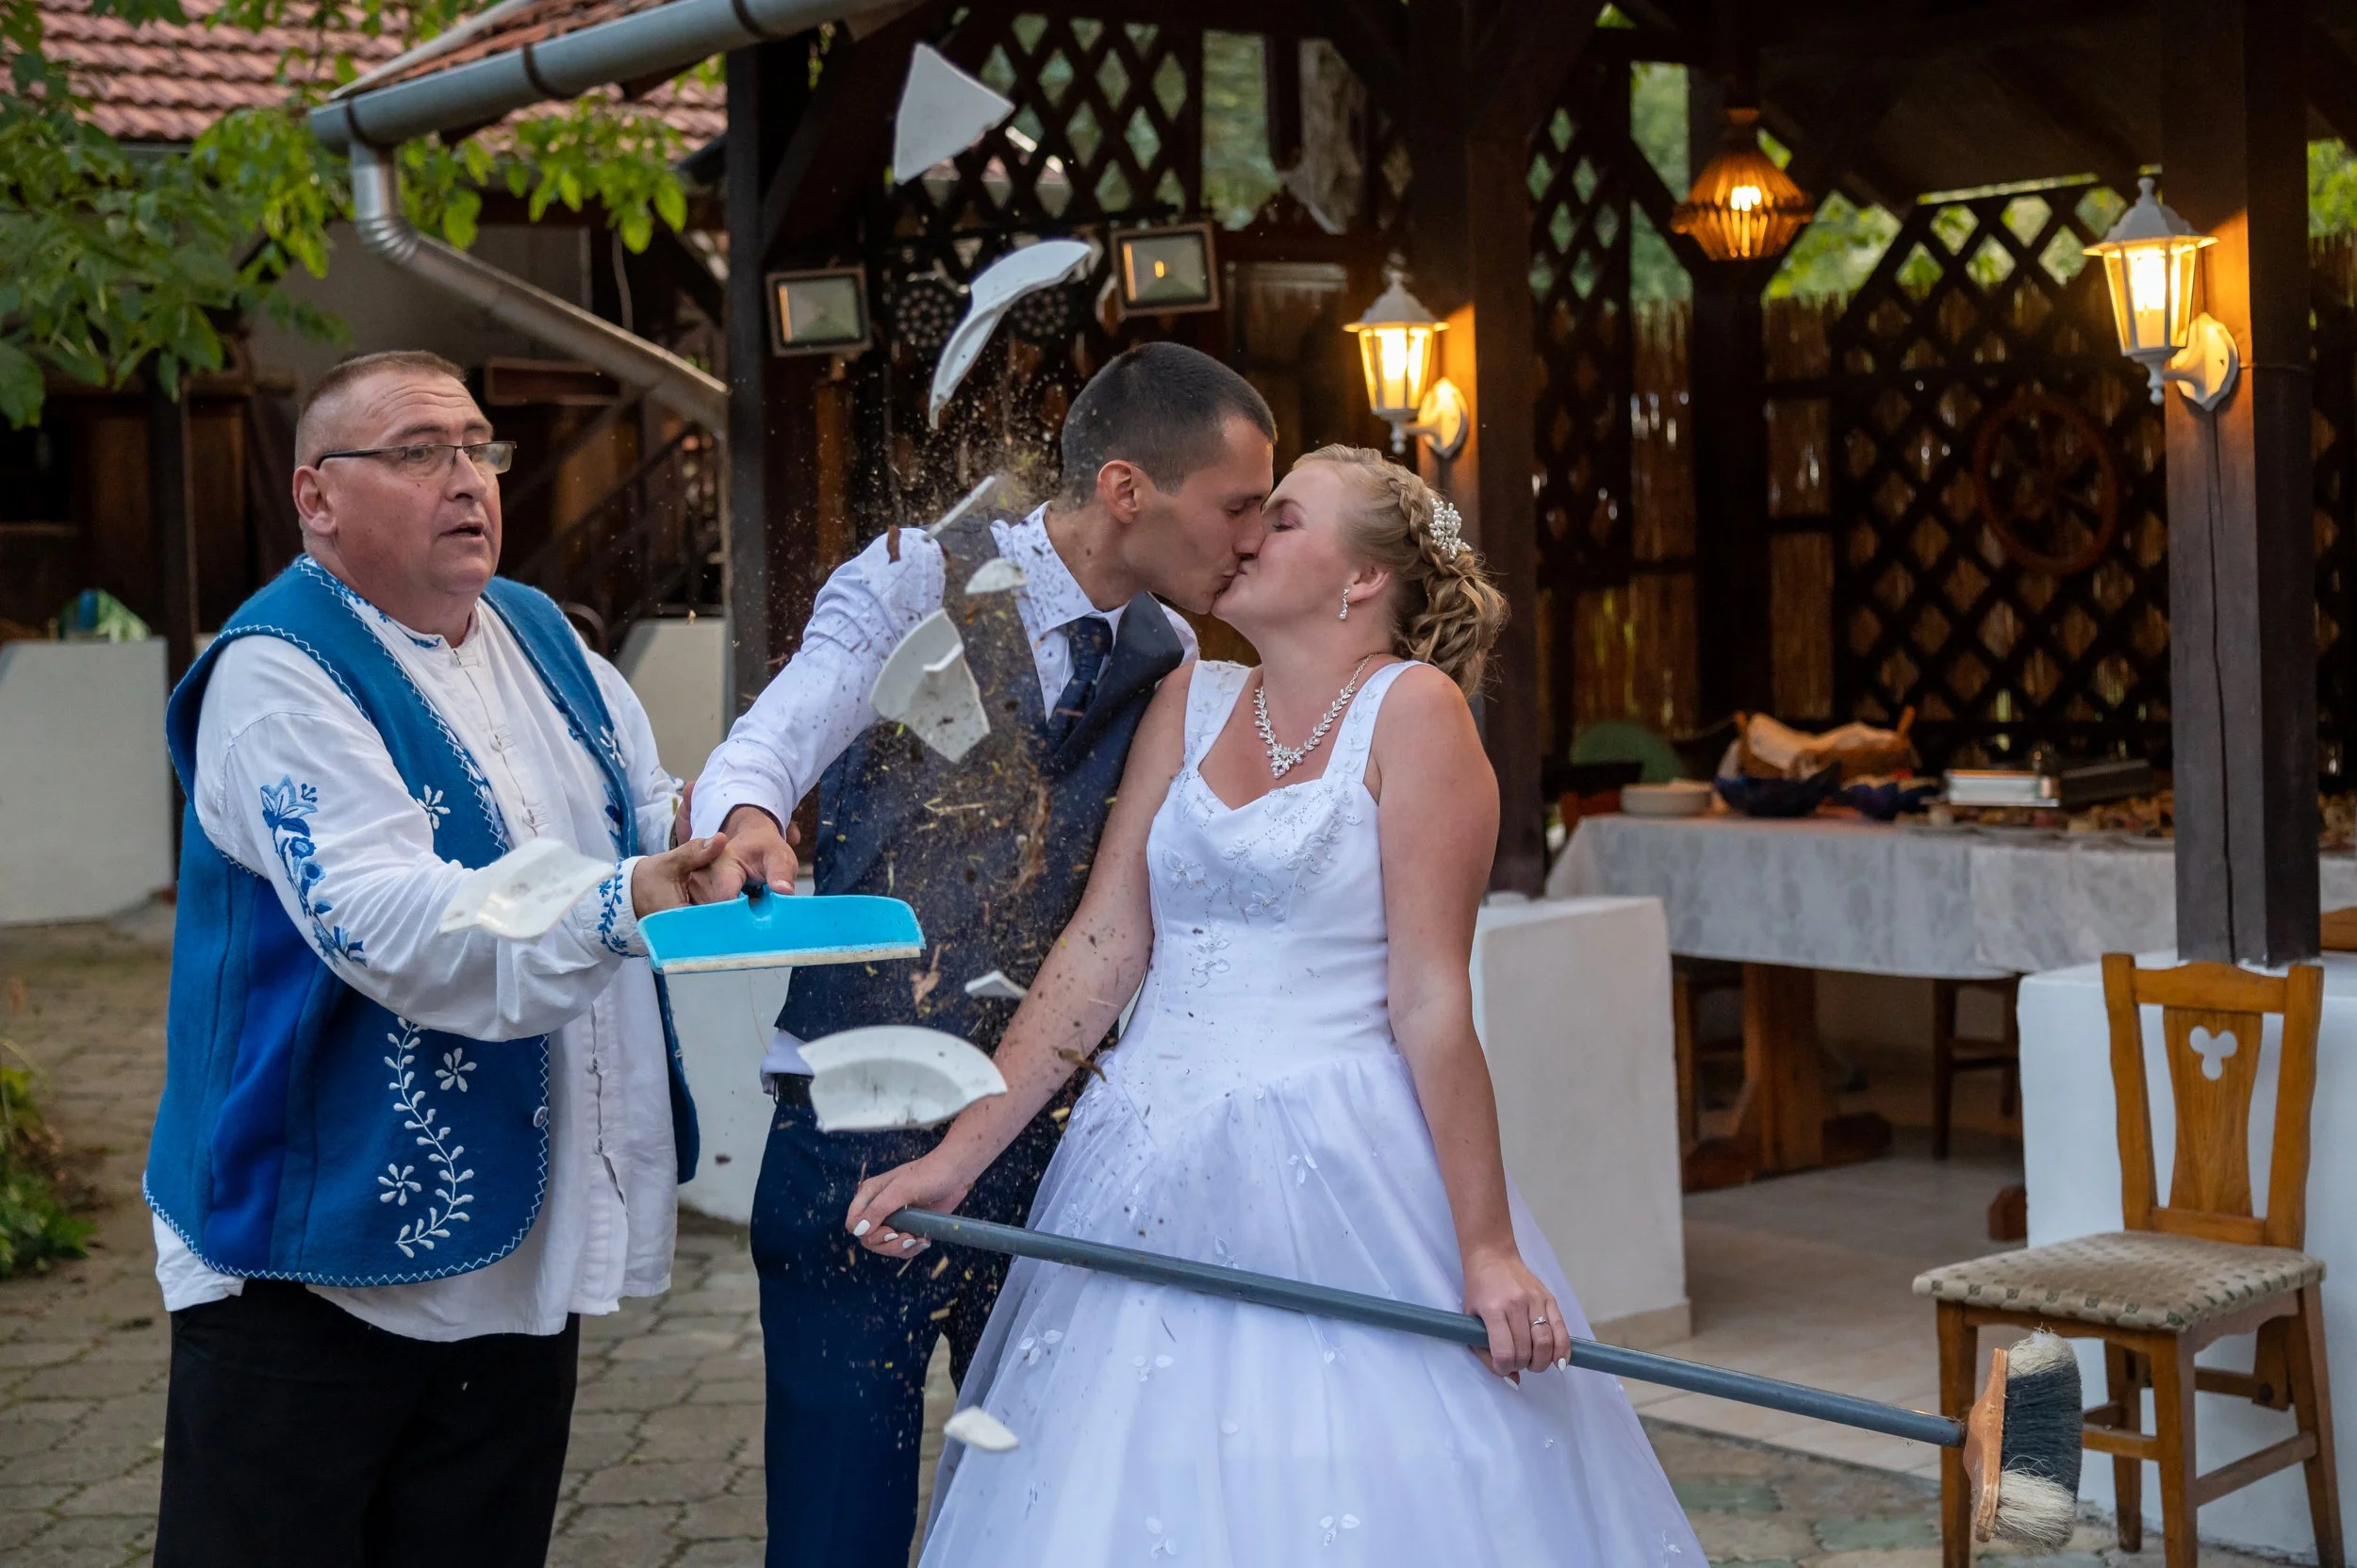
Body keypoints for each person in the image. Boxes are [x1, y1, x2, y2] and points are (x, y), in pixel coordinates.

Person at [849, 445, 1707, 1565]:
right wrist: (955, 1156)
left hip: (1335, 1171)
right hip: (1138, 1167)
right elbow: (1102, 949)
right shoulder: (1188, 699)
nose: (1248, 535)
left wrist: (1487, 1246)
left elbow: (1432, 1002)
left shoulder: (1416, 713)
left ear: (1360, 580)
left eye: (1285, 519)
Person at [145, 350, 741, 1568]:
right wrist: (627, 895)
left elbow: (638, 803)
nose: (466, 477)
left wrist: (725, 827)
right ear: (318, 497)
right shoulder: (276, 674)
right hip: (314, 1244)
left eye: (479, 447)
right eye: (420, 453)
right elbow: (388, 921)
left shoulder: (535, 628)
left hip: (520, 1219)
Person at [690, 340, 1277, 1567]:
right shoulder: (918, 576)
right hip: (858, 1106)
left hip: (1047, 1133)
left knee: (1032, 1497)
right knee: (838, 1509)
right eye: (1234, 506)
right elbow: (784, 724)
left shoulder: (1174, 655)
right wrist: (744, 814)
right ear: (1128, 490)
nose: (1253, 536)